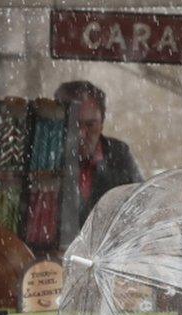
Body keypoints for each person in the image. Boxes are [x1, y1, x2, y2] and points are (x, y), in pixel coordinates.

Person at [53, 80, 143, 248]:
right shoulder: (47, 158)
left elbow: (140, 207)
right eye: (73, 124)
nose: (81, 134)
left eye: (90, 124)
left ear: (102, 123)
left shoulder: (119, 156)